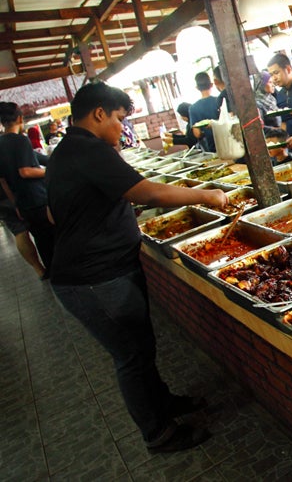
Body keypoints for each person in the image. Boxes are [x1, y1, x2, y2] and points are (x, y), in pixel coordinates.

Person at [46, 82, 228, 453]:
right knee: (130, 357)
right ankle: (158, 433)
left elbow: (57, 213)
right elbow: (150, 192)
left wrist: (113, 212)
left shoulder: (67, 150)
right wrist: (207, 195)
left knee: (141, 349)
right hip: (95, 279)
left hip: (95, 273)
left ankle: (162, 404)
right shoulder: (88, 149)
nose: (120, 127)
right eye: (118, 119)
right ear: (99, 113)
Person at [0, 101, 55, 275]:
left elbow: (2, 180)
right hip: (37, 198)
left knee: (41, 239)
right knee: (53, 236)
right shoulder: (21, 140)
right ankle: (65, 274)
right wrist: (51, 173)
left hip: (22, 202)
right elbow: (25, 171)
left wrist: (15, 204)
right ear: (19, 118)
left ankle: (53, 274)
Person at [0, 180, 46, 278]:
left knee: (19, 231)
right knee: (25, 231)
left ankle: (39, 270)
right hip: (12, 193)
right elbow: (3, 179)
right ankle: (46, 265)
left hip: (4, 200)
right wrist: (15, 203)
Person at [189, 71, 219, 152]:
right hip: (228, 142)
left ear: (197, 88)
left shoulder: (193, 108)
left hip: (211, 147)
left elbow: (197, 133)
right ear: (211, 85)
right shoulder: (220, 100)